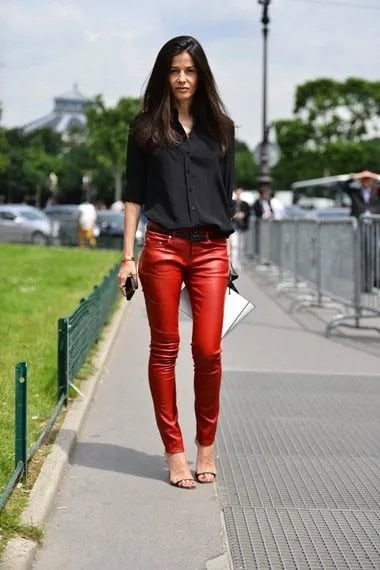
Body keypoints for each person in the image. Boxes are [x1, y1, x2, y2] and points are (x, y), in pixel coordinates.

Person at [118, 36, 235, 489]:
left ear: (200, 74)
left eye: (189, 70)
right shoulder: (145, 129)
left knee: (208, 350)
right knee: (164, 350)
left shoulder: (222, 129)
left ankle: (207, 445)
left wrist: (229, 258)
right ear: (163, 75)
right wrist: (128, 258)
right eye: (174, 70)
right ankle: (175, 452)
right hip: (162, 248)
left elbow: (226, 200)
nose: (182, 78)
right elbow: (133, 197)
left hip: (210, 251)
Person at [231, 187, 251, 258]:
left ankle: (240, 260)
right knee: (234, 244)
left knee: (242, 245)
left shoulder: (245, 204)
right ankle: (235, 262)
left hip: (242, 227)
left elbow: (248, 214)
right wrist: (235, 215)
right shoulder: (232, 203)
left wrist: (243, 215)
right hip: (234, 227)